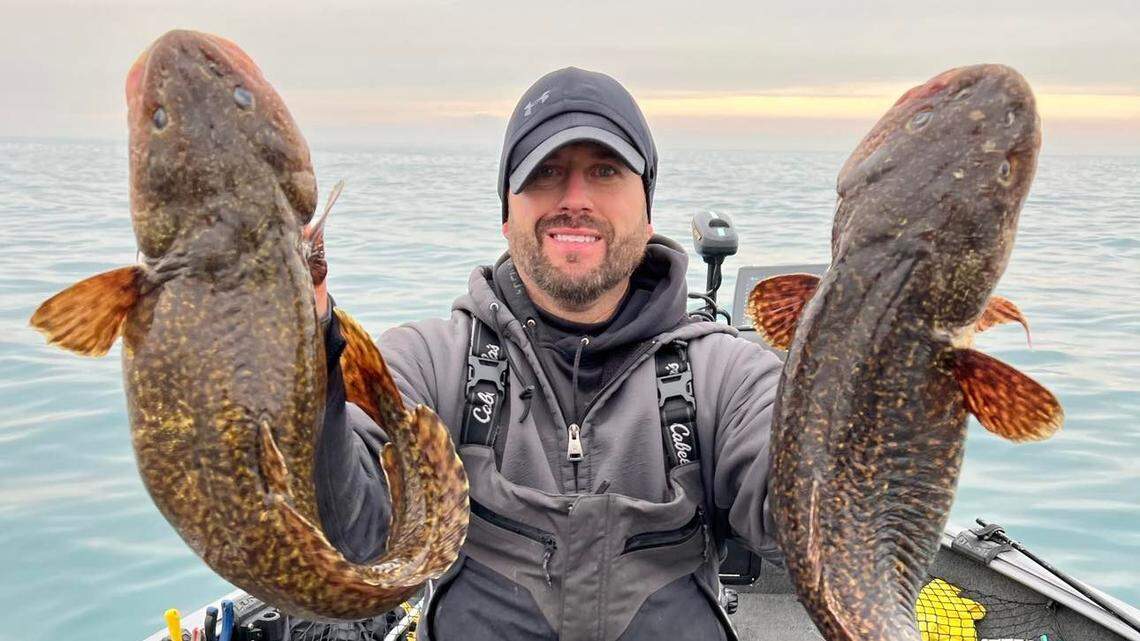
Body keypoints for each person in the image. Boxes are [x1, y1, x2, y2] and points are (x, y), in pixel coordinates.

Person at [311, 66, 783, 641]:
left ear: (648, 207)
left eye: (605, 171)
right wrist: (302, 356)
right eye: (546, 172)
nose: (575, 199)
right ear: (507, 213)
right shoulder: (430, 364)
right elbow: (349, 540)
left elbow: (803, 523)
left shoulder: (724, 377)